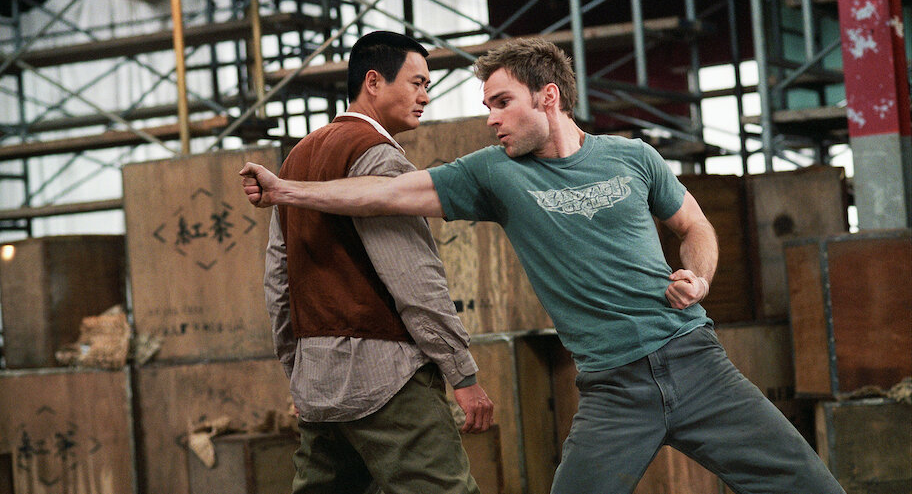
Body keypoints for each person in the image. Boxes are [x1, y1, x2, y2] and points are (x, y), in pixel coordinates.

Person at [242, 38, 845, 494]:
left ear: (548, 97)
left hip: (698, 364)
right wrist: (286, 191)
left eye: (502, 103)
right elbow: (387, 195)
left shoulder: (634, 157)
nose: (491, 119)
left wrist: (700, 275)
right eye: (488, 106)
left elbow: (695, 227)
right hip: (613, 389)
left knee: (811, 486)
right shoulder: (493, 173)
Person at [261, 30, 493, 494]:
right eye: (417, 83)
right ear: (373, 82)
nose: (425, 97)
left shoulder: (297, 159)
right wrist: (461, 373)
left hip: (319, 380)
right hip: (389, 378)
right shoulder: (376, 157)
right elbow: (414, 278)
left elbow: (278, 281)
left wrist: (299, 371)